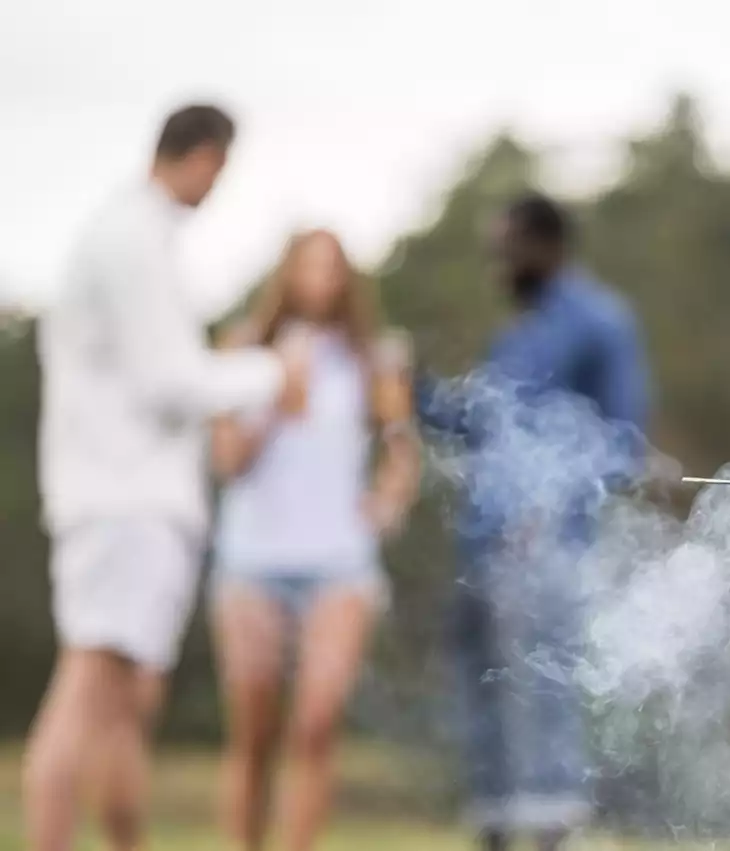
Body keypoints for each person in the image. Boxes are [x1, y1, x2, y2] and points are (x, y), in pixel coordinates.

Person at [29, 104, 309, 851]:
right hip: (123, 498)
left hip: (127, 499)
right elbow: (170, 381)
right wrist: (270, 372)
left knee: (127, 700)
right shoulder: (131, 237)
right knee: (90, 687)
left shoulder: (135, 234)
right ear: (206, 156)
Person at [416, 193, 649, 851]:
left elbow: (622, 439)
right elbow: (480, 424)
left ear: (546, 245)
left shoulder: (600, 321)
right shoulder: (517, 333)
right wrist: (417, 391)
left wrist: (553, 508)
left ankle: (552, 831)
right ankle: (491, 824)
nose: (498, 263)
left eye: (506, 247)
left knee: (544, 686)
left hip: (547, 542)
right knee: (481, 688)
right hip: (481, 541)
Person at [209, 229, 421, 851]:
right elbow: (227, 462)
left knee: (317, 723)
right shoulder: (243, 350)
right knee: (254, 733)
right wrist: (276, 400)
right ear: (287, 274)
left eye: (332, 268)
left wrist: (386, 501)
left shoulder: (374, 359)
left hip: (339, 563)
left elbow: (401, 450)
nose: (320, 280)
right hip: (253, 561)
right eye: (308, 266)